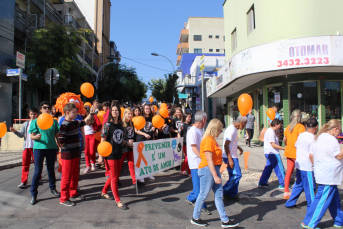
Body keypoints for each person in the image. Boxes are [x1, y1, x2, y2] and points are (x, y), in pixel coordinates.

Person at [191, 119, 239, 228]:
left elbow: (214, 159)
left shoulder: (212, 140)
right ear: (215, 129)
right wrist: (215, 175)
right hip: (207, 169)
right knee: (204, 194)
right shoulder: (208, 140)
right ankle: (195, 217)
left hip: (213, 169)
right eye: (220, 130)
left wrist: (219, 170)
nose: (220, 132)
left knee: (218, 195)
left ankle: (225, 220)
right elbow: (209, 159)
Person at [301, 119, 343, 229]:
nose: (340, 133)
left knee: (334, 199)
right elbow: (339, 155)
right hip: (329, 175)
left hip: (324, 173)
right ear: (335, 129)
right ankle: (309, 222)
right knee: (321, 200)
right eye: (340, 130)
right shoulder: (331, 139)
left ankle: (339, 220)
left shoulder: (320, 137)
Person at [29, 101, 60, 205]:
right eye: (45, 107)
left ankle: (53, 188)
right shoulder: (35, 121)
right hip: (39, 148)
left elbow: (57, 136)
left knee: (51, 169)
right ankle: (33, 194)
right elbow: (31, 136)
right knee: (38, 171)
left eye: (49, 108)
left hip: (51, 148)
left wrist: (60, 146)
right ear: (41, 109)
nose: (47, 109)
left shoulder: (54, 121)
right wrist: (35, 137)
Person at [58, 103, 89, 206]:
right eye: (74, 112)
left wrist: (92, 112)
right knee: (66, 177)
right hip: (68, 155)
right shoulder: (64, 125)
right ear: (67, 112)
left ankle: (73, 193)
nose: (76, 114)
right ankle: (63, 198)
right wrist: (62, 145)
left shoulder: (75, 123)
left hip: (75, 153)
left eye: (75, 112)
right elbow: (61, 140)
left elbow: (85, 122)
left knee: (75, 175)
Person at [100, 103, 129, 210]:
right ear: (110, 112)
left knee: (113, 176)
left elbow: (120, 139)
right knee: (115, 177)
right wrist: (100, 156)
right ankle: (118, 200)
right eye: (113, 110)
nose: (115, 112)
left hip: (119, 152)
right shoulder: (107, 125)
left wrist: (127, 143)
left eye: (116, 110)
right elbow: (103, 140)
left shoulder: (120, 125)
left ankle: (103, 192)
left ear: (119, 112)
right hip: (110, 154)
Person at [285, 118, 318, 210]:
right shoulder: (313, 139)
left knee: (299, 184)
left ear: (306, 126)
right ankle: (311, 208)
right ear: (316, 127)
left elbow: (296, 145)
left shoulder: (301, 135)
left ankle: (290, 202)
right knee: (310, 188)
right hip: (307, 166)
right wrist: (315, 166)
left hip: (299, 164)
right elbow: (311, 155)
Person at [185, 111, 210, 215]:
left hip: (200, 162)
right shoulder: (192, 131)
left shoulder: (200, 130)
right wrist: (204, 158)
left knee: (199, 186)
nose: (206, 122)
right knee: (200, 187)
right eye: (206, 119)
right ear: (203, 120)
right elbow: (194, 149)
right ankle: (201, 206)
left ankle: (190, 198)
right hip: (195, 162)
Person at [10, 107, 39, 189]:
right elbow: (21, 135)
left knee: (37, 164)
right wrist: (15, 131)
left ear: (37, 114)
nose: (33, 115)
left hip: (36, 147)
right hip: (26, 147)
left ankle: (38, 177)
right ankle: (23, 181)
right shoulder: (25, 124)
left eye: (34, 114)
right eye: (31, 114)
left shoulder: (39, 123)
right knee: (25, 165)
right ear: (29, 115)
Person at [222, 116, 247, 200]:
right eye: (245, 124)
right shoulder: (232, 129)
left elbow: (231, 142)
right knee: (237, 175)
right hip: (230, 156)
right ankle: (224, 190)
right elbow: (226, 145)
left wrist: (238, 147)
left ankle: (231, 193)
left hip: (232, 155)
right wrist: (230, 159)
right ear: (241, 122)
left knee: (233, 175)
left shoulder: (234, 129)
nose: (245, 126)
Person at [283, 109, 305, 199]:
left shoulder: (289, 126)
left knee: (289, 172)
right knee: (300, 172)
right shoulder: (301, 127)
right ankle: (298, 188)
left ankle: (286, 191)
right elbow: (302, 140)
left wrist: (287, 145)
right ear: (300, 117)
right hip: (297, 153)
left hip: (289, 152)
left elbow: (284, 139)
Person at [258, 119, 286, 189]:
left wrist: (277, 136)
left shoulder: (271, 131)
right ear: (276, 124)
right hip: (273, 152)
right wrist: (283, 148)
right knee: (279, 168)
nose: (280, 126)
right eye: (280, 125)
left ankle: (262, 182)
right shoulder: (270, 132)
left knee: (268, 168)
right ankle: (283, 183)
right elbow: (273, 144)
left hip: (268, 152)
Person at [135, 104, 155, 183]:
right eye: (146, 109)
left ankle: (148, 173)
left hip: (149, 140)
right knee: (140, 159)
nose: (147, 110)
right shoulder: (140, 118)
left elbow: (153, 129)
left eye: (148, 109)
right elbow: (136, 130)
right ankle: (141, 176)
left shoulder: (151, 118)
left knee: (148, 157)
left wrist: (154, 129)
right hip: (141, 140)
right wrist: (144, 134)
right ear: (143, 110)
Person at [120, 107, 136, 186]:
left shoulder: (132, 123)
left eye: (131, 114)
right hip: (123, 147)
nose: (130, 115)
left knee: (131, 164)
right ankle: (116, 180)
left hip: (131, 147)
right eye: (128, 113)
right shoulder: (121, 124)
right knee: (120, 165)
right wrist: (127, 142)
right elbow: (119, 136)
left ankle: (134, 181)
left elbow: (133, 134)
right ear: (125, 114)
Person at [83, 105, 102, 173]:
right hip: (85, 135)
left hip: (92, 135)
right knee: (86, 151)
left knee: (92, 151)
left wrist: (96, 130)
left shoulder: (94, 116)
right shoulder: (82, 117)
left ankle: (93, 164)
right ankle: (88, 166)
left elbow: (99, 124)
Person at [178, 112, 192, 176]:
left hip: (190, 142)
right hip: (184, 142)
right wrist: (179, 142)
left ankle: (184, 169)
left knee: (188, 156)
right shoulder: (181, 124)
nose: (190, 118)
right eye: (188, 117)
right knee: (187, 156)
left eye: (190, 117)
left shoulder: (191, 125)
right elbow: (179, 133)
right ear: (185, 117)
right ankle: (186, 170)